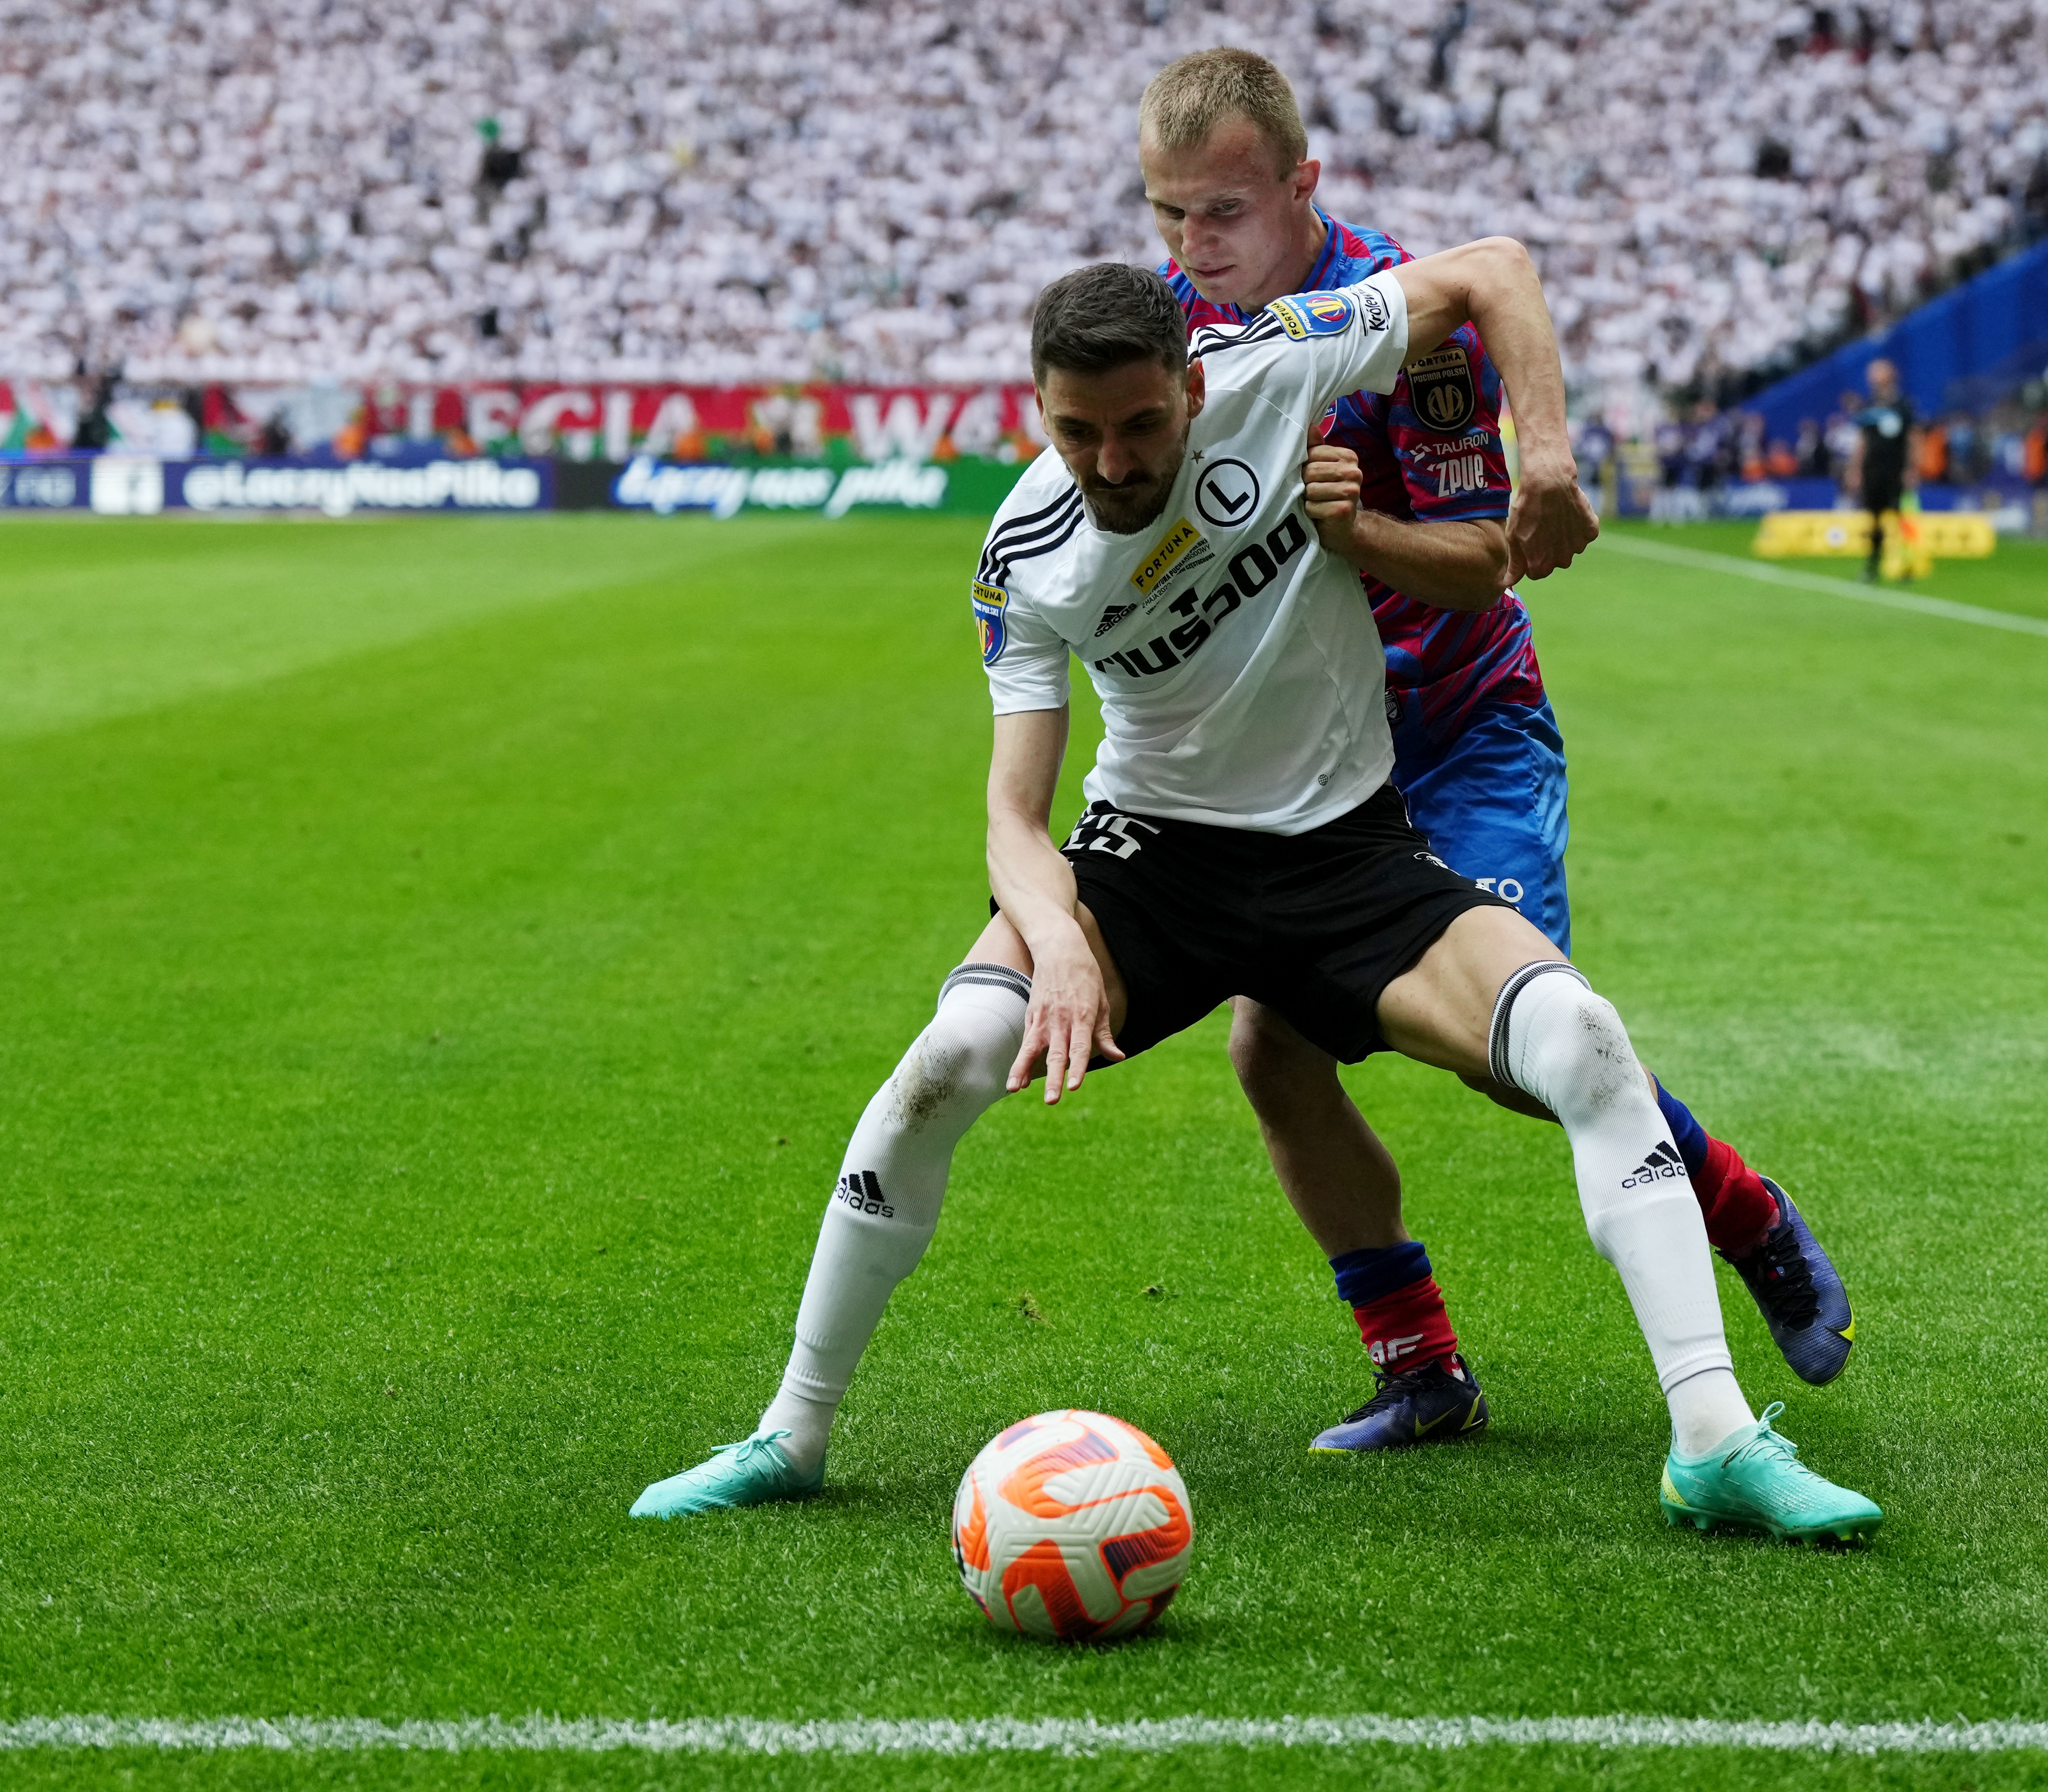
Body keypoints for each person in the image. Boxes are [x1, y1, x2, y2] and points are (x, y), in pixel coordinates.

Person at [629, 243, 1883, 1541]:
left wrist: (1544, 449)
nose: (1113, 462)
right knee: (946, 1056)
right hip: (1152, 864)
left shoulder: (1276, 363)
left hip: (1349, 853)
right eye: (1077, 433)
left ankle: (1713, 1436)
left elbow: (1489, 274)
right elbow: (1014, 813)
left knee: (1580, 1037)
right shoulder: (1023, 548)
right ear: (1037, 410)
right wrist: (1056, 936)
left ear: (1190, 379)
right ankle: (792, 1428)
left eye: (1140, 425)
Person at [1135, 48, 1852, 1453]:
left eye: (1220, 214)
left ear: (1302, 187)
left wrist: (1358, 534)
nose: (1190, 250)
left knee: (1506, 1051)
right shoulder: (1170, 328)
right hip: (1312, 766)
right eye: (1166, 215)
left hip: (1461, 729)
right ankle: (1421, 1370)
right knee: (1273, 1054)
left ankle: (1745, 1215)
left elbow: (1481, 567)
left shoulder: (1409, 322)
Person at [1845, 360, 1915, 581]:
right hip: (1872, 471)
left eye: (1877, 372)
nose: (1872, 377)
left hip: (1895, 470)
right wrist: (1855, 470)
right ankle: (1872, 566)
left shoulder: (1903, 406)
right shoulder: (1868, 406)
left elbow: (1913, 439)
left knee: (1899, 517)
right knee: (1874, 519)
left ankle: (1904, 564)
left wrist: (1912, 468)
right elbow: (1862, 442)